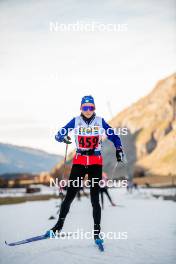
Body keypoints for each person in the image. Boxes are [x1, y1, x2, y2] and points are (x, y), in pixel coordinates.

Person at [50, 95, 124, 243]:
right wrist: (63, 137)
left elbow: (114, 136)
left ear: (94, 108)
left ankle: (97, 231)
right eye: (85, 107)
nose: (88, 110)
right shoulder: (75, 121)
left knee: (94, 198)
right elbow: (58, 135)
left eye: (91, 107)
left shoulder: (100, 121)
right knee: (70, 195)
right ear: (81, 108)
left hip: (96, 163)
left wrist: (118, 148)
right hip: (79, 161)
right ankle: (58, 226)